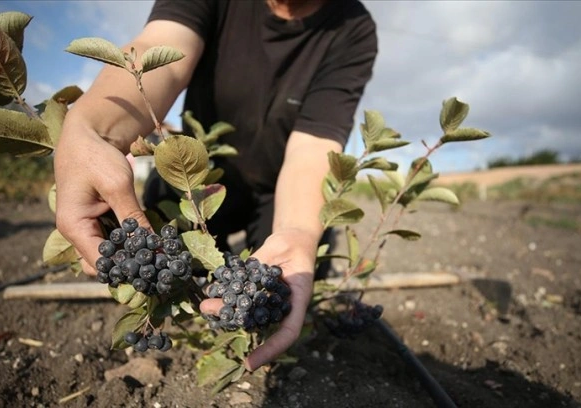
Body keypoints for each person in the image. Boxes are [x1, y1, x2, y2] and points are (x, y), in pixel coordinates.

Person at [53, 0, 378, 372]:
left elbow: (313, 145)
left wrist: (299, 231)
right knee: (174, 268)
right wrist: (93, 129)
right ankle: (197, 331)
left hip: (277, 190)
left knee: (286, 282)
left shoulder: (353, 28)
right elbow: (161, 51)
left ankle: (239, 345)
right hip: (196, 180)